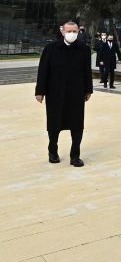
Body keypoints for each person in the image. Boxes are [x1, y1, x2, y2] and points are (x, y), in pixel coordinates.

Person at [35, 21, 92, 166]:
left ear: (78, 32)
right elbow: (43, 71)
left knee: (77, 125)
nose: (71, 34)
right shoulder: (51, 49)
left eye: (74, 31)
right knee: (54, 124)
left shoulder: (84, 49)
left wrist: (88, 90)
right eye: (69, 31)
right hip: (55, 93)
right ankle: (52, 150)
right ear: (62, 31)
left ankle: (75, 155)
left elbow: (87, 71)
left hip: (76, 93)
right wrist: (40, 91)